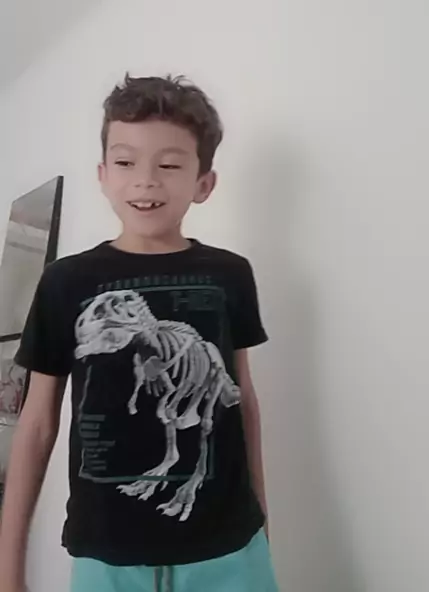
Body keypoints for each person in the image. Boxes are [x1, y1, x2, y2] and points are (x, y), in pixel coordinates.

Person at [0, 75, 278, 592]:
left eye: (169, 165)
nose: (145, 181)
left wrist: (262, 525)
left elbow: (243, 401)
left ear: (203, 183)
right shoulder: (65, 280)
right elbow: (36, 424)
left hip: (229, 551)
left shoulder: (229, 273)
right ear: (103, 175)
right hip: (106, 555)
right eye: (126, 163)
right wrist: (8, 575)